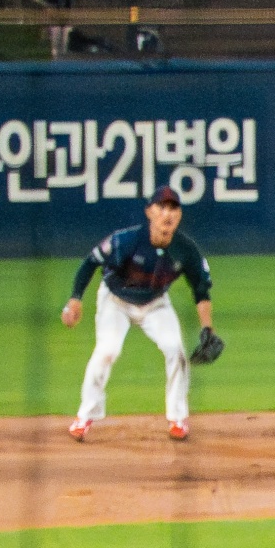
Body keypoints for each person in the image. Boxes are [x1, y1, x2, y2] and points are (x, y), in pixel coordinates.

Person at [62, 187, 216, 443]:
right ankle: (84, 416)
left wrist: (207, 327)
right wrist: (75, 298)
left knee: (175, 349)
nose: (168, 214)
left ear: (179, 215)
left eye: (173, 208)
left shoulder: (186, 250)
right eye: (161, 207)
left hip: (155, 303)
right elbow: (91, 262)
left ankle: (177, 419)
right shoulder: (126, 240)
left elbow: (201, 289)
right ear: (149, 212)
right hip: (115, 301)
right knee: (107, 351)